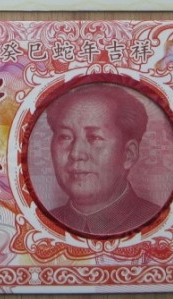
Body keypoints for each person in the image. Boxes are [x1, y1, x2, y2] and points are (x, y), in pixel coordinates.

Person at [46, 82, 161, 236]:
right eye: (65, 137)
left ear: (129, 154)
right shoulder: (44, 222)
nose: (75, 154)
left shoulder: (159, 222)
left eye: (94, 137)